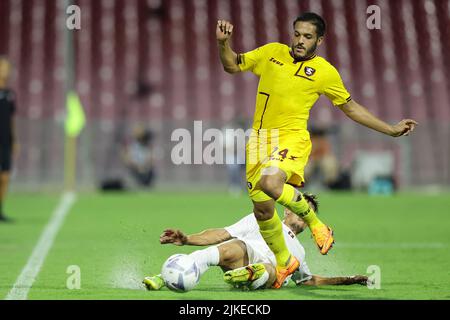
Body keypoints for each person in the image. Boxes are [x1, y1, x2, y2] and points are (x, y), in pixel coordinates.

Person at [216, 12, 417, 287]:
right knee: (263, 212)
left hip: (291, 138)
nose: (300, 40)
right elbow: (232, 65)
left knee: (271, 182)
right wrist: (223, 44)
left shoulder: (324, 72)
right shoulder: (272, 52)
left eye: (307, 36)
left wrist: (391, 129)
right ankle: (285, 262)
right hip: (258, 143)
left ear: (319, 40)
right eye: (297, 34)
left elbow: (351, 108)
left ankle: (316, 225)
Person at [143, 193, 368, 291]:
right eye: (300, 208)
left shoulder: (299, 252)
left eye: (308, 213)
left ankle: (253, 275)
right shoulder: (260, 219)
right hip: (243, 256)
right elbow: (223, 232)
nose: (303, 214)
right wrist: (188, 239)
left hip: (267, 272)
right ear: (287, 211)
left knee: (273, 270)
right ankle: (164, 278)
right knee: (233, 246)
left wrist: (348, 280)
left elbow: (308, 281)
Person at [0, 56, 17, 222]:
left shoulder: (10, 94)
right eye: (2, 67)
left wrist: (15, 140)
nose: (5, 71)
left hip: (6, 140)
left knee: (5, 177)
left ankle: (0, 210)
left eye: (7, 68)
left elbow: (11, 119)